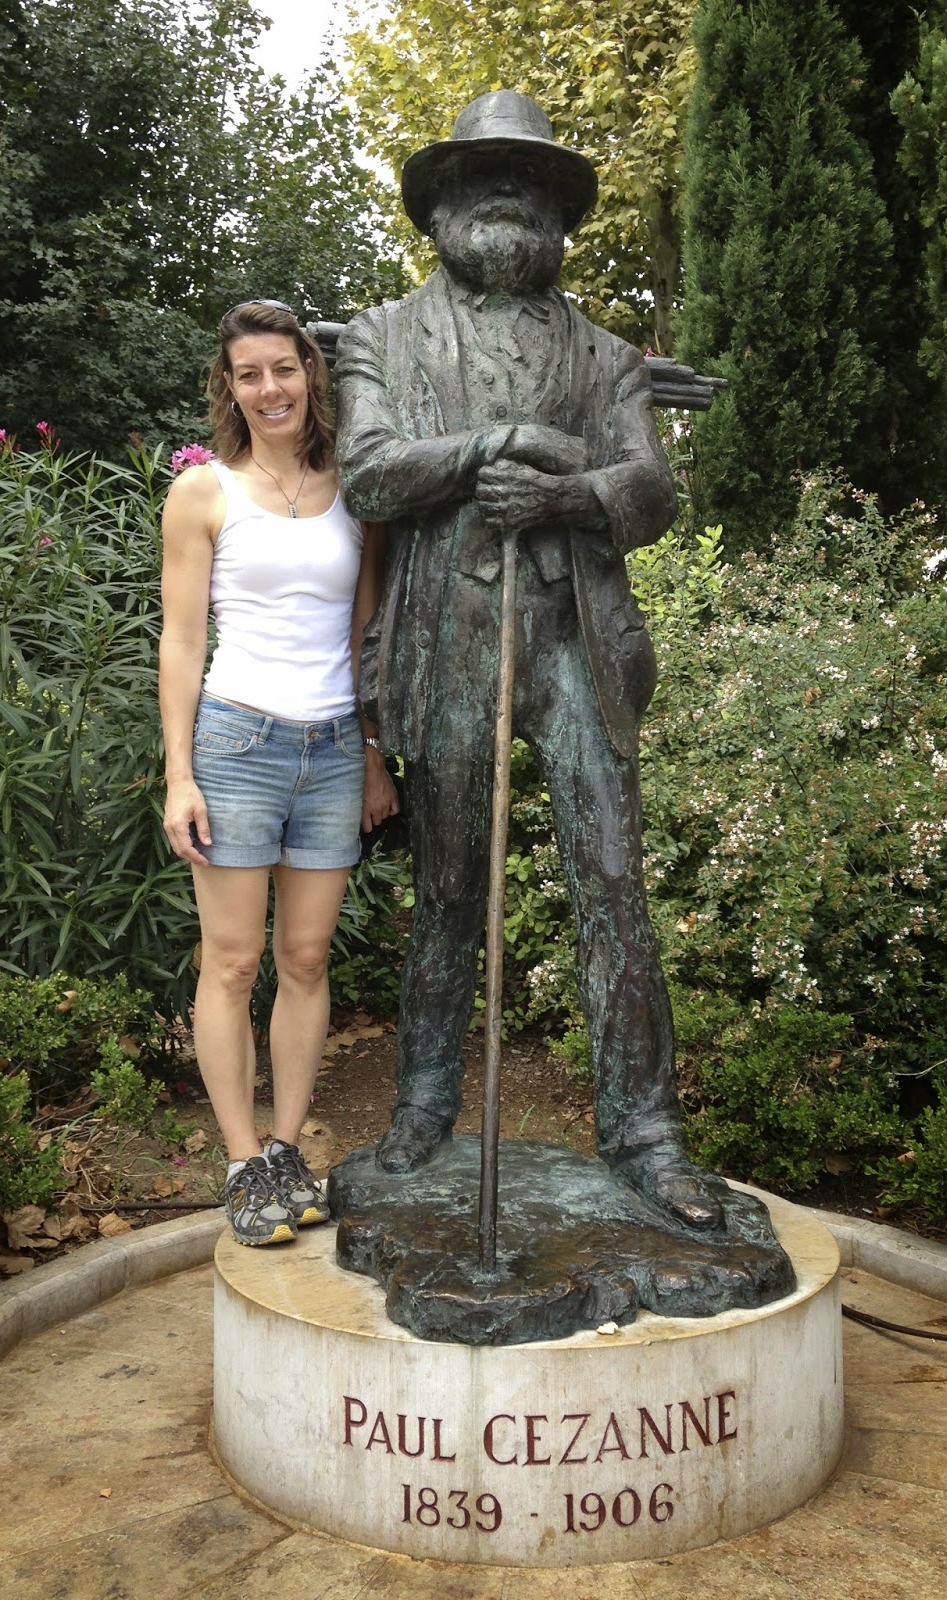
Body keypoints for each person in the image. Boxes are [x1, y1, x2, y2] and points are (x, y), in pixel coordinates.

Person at [336, 91, 722, 1229]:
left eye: (532, 180)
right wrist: (496, 446)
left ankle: (645, 1133)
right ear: (439, 207)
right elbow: (369, 472)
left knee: (612, 878)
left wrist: (566, 495)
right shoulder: (382, 336)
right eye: (482, 177)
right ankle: (422, 1106)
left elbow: (650, 489)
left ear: (558, 215)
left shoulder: (608, 356)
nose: (506, 193)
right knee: (450, 886)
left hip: (575, 640)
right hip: (449, 637)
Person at [159, 299, 397, 1247]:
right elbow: (182, 642)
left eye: (284, 369)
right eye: (249, 374)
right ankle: (241, 1162)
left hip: (333, 749)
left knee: (304, 960)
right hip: (237, 747)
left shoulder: (353, 493)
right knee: (232, 962)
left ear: (310, 374)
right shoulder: (204, 493)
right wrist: (180, 774)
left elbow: (363, 632)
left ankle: (288, 1150)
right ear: (230, 387)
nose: (270, 389)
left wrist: (373, 753)